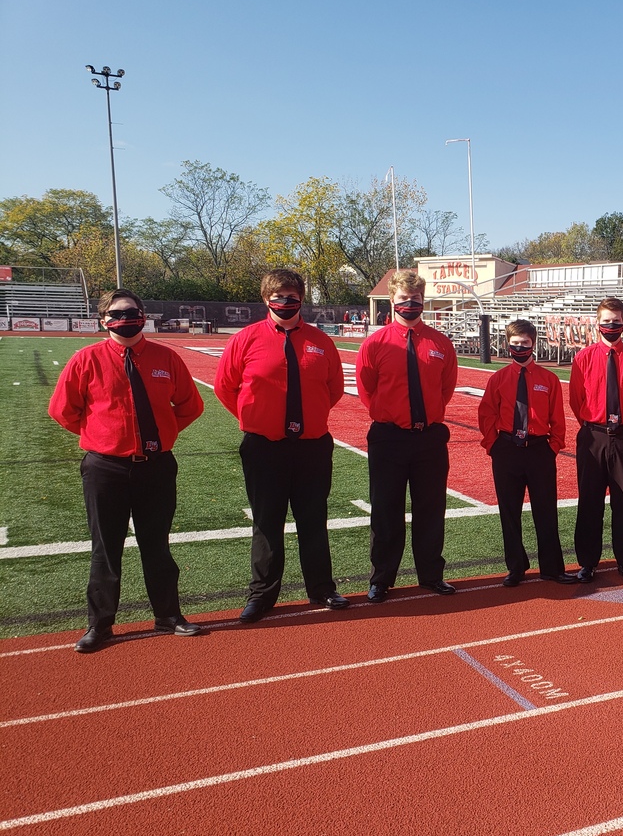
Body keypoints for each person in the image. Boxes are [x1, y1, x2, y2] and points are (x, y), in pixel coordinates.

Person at [48, 288, 206, 652]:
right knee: (106, 548)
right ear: (103, 320)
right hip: (105, 468)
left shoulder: (166, 357)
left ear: (143, 314)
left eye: (132, 311)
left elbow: (189, 406)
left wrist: (160, 432)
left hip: (156, 466)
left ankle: (168, 616)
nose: (125, 318)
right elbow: (62, 410)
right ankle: (100, 625)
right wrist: (102, 437)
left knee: (158, 546)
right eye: (116, 314)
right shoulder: (86, 359)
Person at [215, 269, 349, 623]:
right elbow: (226, 388)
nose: (285, 303)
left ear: (301, 300)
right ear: (265, 299)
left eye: (292, 297)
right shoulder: (245, 339)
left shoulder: (322, 341)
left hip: (312, 446)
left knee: (313, 519)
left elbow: (333, 390)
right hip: (264, 447)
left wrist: (308, 418)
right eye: (278, 297)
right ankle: (261, 595)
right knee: (267, 522)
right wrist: (257, 419)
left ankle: (321, 588)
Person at [356, 271, 459, 600]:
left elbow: (446, 389)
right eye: (403, 301)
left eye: (415, 301)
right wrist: (394, 416)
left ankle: (430, 574)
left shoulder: (440, 343)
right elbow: (366, 389)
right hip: (388, 438)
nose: (410, 306)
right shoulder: (376, 342)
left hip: (429, 438)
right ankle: (381, 579)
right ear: (392, 302)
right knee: (386, 510)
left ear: (423, 301)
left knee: (431, 509)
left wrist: (422, 418)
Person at [478, 319, 577, 586]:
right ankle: (516, 567)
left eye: (525, 343)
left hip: (539, 450)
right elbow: (487, 413)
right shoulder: (498, 379)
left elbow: (558, 416)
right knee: (509, 511)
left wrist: (553, 446)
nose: (520, 348)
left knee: (546, 510)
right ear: (507, 344)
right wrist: (493, 445)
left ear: (533, 344)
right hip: (507, 449)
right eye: (515, 343)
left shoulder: (549, 379)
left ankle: (552, 567)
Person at [569, 297, 623, 584]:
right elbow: (576, 400)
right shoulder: (583, 358)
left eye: (616, 322)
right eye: (606, 322)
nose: (611, 326)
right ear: (597, 323)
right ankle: (587, 563)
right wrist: (596, 428)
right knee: (590, 501)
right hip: (592, 436)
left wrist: (621, 427)